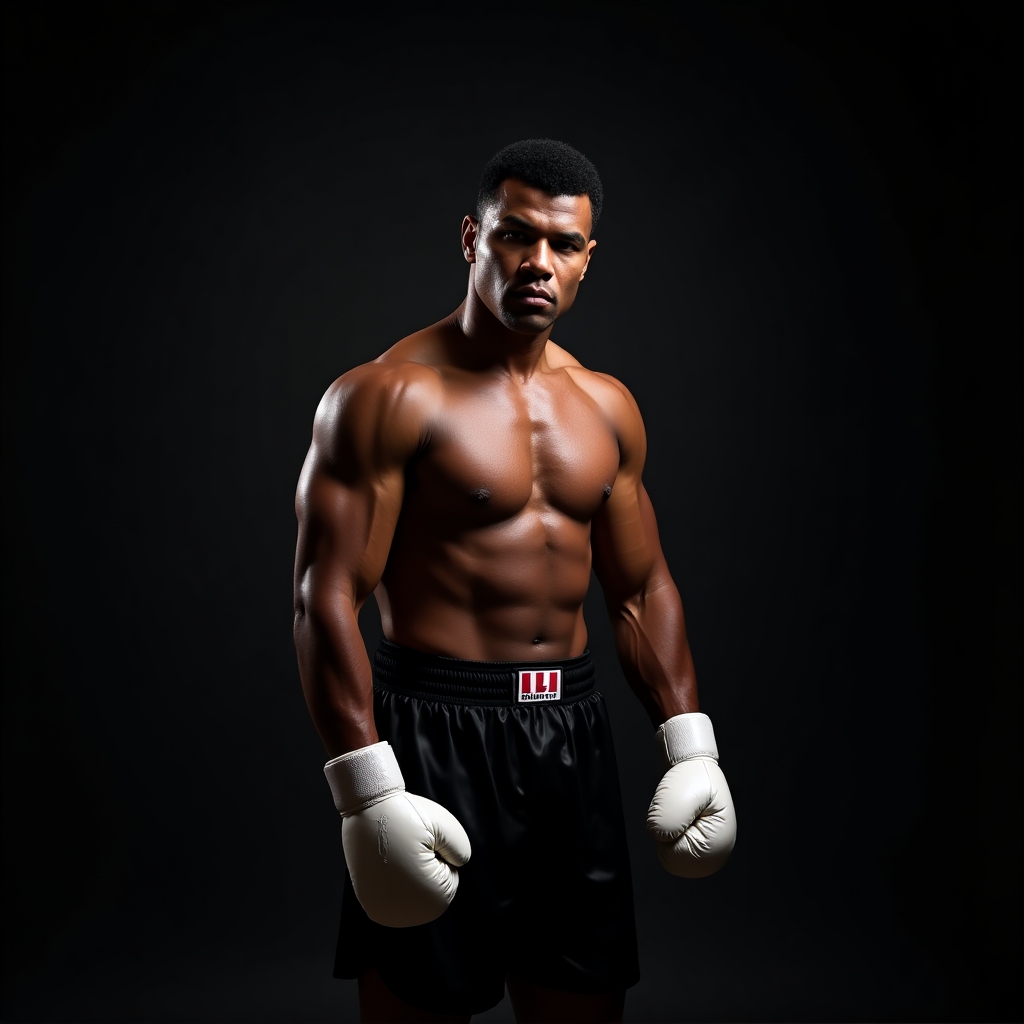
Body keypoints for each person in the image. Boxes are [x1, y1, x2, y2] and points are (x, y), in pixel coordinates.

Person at [293, 138, 737, 1024]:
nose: (539, 262)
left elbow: (640, 588)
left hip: (570, 734)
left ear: (587, 259)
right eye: (515, 235)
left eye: (563, 244)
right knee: (417, 1004)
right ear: (473, 238)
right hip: (436, 736)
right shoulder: (386, 396)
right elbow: (325, 595)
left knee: (581, 1002)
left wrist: (691, 744)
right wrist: (366, 789)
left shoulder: (606, 406)